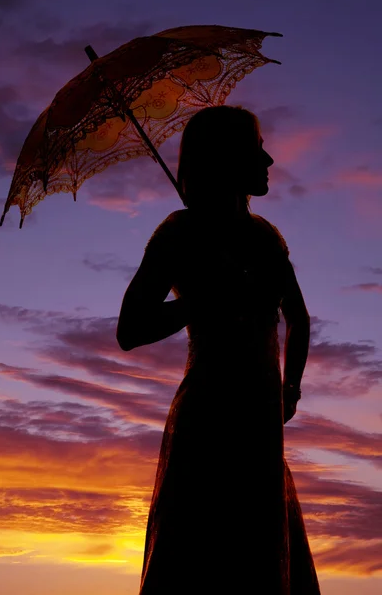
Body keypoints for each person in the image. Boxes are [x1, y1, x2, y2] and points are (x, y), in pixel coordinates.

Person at [116, 105, 321, 595]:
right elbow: (130, 328)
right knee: (203, 555)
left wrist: (291, 386)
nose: (269, 159)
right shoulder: (180, 233)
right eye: (258, 149)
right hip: (208, 415)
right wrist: (203, 300)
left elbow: (298, 315)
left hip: (261, 417)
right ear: (228, 158)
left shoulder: (265, 238)